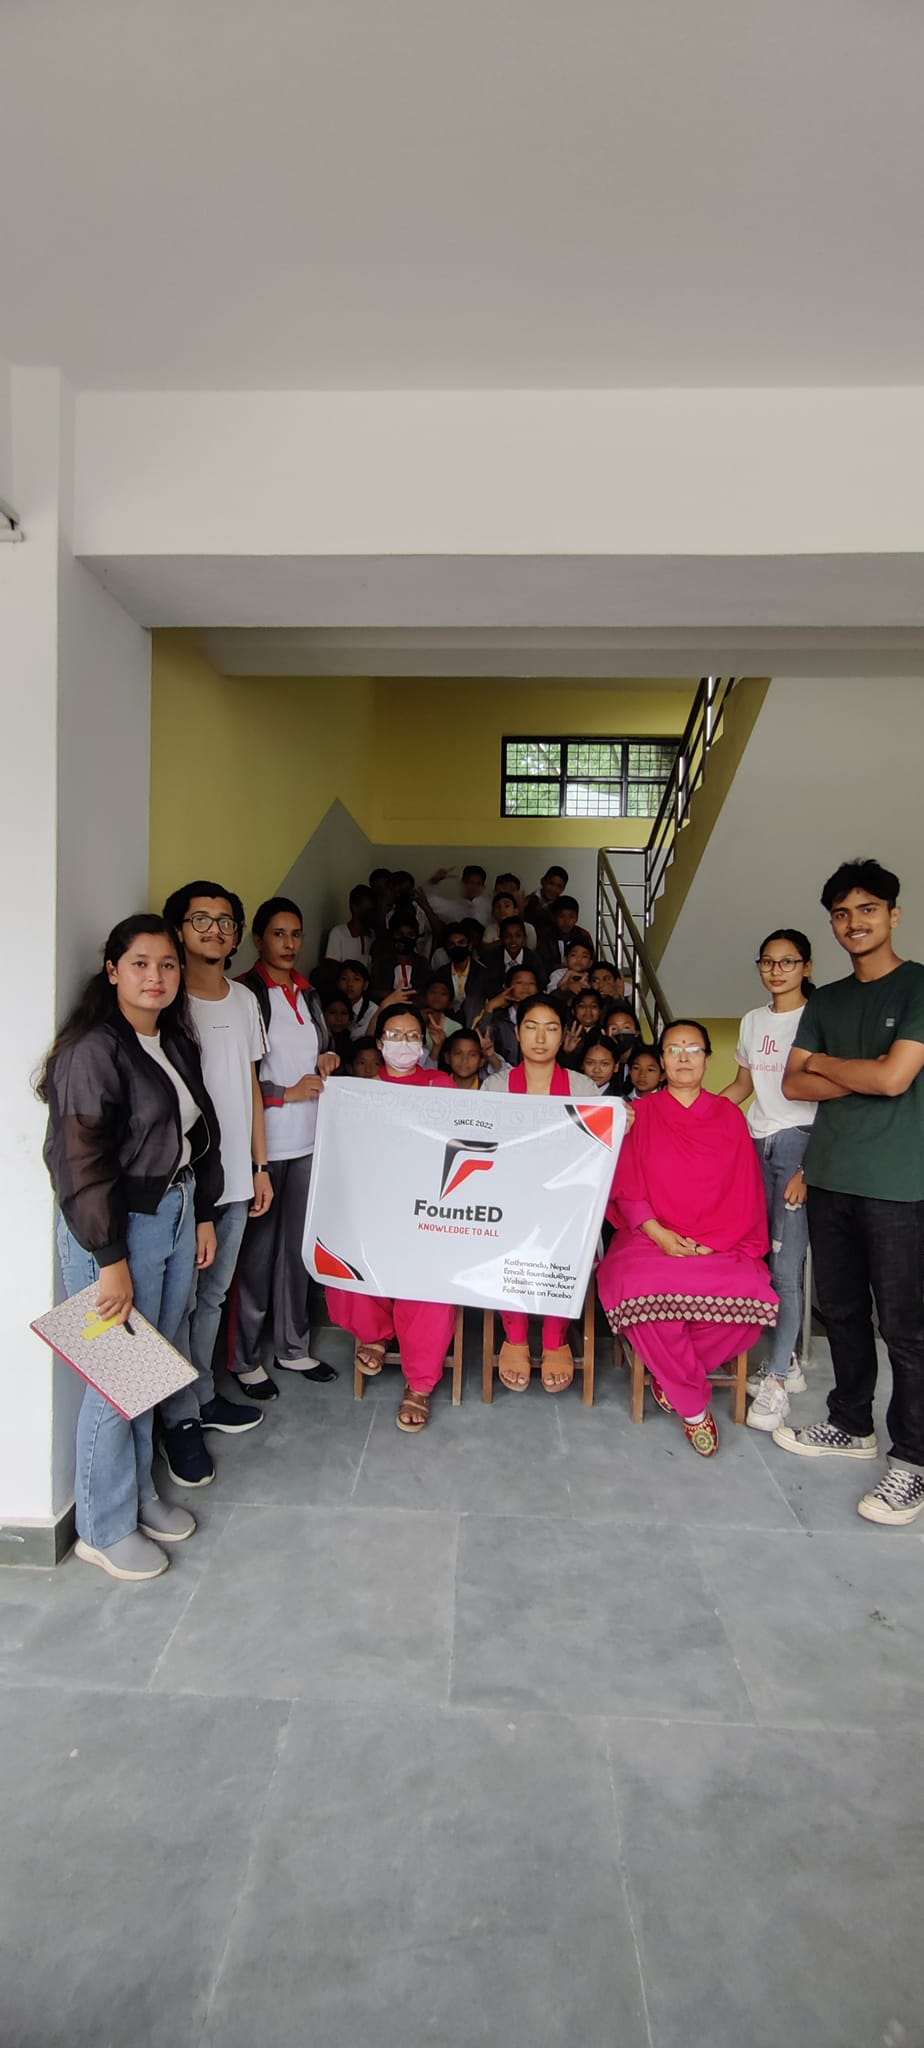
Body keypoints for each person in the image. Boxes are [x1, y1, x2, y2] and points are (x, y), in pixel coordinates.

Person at [38, 915, 223, 1580]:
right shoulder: (93, 1050)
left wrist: (198, 1213)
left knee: (155, 1364)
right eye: (141, 964)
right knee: (116, 1379)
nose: (157, 977)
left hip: (171, 1212)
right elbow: (78, 1165)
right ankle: (102, 1526)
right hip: (114, 1230)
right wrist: (110, 1262)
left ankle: (141, 1494)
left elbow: (193, 1137)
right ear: (113, 970)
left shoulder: (169, 1039)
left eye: (168, 965)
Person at [773, 858, 924, 1526]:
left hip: (897, 1182)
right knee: (838, 1311)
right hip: (830, 1175)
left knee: (905, 1327)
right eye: (840, 913)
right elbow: (791, 1085)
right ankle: (850, 1424)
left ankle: (914, 1461)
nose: (853, 923)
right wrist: (861, 1072)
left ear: (893, 913)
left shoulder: (918, 987)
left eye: (867, 909)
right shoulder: (826, 999)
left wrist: (831, 1065)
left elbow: (895, 1080)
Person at [598, 1020, 778, 1457]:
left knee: (756, 1300)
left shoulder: (728, 1117)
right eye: (673, 1049)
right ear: (661, 1061)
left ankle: (670, 1373)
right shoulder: (641, 1115)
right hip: (649, 1238)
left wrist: (714, 1243)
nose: (682, 1057)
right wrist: (659, 1233)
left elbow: (744, 1192)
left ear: (707, 1059)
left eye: (692, 1049)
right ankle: (693, 1405)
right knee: (634, 1287)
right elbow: (628, 1184)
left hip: (719, 1241)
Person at [157, 880, 272, 1472]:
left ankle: (200, 1393)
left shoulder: (244, 999)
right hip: (181, 1187)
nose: (214, 930)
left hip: (233, 1181)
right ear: (178, 927)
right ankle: (178, 1416)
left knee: (213, 1297)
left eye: (226, 921)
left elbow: (249, 1086)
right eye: (200, 919)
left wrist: (259, 1165)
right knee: (176, 1305)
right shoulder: (166, 1003)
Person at [325, 1003, 456, 1432]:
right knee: (349, 1251)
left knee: (432, 1279)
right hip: (378, 1208)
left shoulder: (442, 1084)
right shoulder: (361, 1090)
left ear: (426, 1042)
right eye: (394, 1036)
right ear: (379, 1043)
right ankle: (376, 1334)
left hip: (430, 1208)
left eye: (412, 1035)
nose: (404, 1044)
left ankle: (419, 1382)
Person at [230, 896, 339, 1400]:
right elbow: (236, 1076)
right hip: (265, 1145)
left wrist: (329, 1055)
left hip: (309, 1139)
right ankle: (244, 1356)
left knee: (298, 1249)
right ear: (258, 939)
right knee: (256, 1254)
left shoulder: (307, 991)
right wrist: (284, 1093)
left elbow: (317, 1046)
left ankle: (292, 1346)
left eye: (295, 933)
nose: (290, 943)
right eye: (279, 934)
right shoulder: (246, 993)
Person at [721, 929, 816, 1433]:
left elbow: (836, 1098)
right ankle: (788, 1361)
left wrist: (809, 1168)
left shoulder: (818, 1018)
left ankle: (778, 1374)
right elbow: (742, 1084)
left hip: (799, 1144)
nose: (777, 970)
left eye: (788, 961)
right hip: (757, 1142)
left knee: (786, 1264)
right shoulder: (753, 1021)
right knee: (756, 1252)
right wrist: (698, 1113)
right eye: (768, 962)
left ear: (807, 967)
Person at [483, 994, 598, 1393]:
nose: (540, 1037)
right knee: (503, 1229)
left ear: (563, 1035)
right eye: (531, 1027)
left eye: (551, 1028)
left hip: (564, 1203)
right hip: (508, 1200)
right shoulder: (495, 1086)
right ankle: (515, 1336)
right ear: (517, 1033)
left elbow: (595, 1153)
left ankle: (554, 1337)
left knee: (567, 1230)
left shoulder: (583, 1087)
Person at [369, 902, 431, 1001]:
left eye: (410, 934)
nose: (405, 938)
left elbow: (426, 992)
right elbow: (373, 992)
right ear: (392, 935)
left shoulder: (422, 963)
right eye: (400, 934)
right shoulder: (382, 962)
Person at [482, 965, 539, 1067]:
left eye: (531, 983)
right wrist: (490, 1007)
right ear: (506, 987)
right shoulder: (498, 1018)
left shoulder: (544, 1019)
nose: (525, 987)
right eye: (519, 982)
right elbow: (480, 1039)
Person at [437, 923, 489, 1027]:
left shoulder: (483, 973)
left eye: (461, 943)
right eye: (452, 944)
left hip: (475, 1025)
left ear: (469, 945)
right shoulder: (440, 973)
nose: (457, 947)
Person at [420, 863, 492, 931]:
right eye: (470, 882)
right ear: (462, 883)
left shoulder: (490, 905)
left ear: (483, 887)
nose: (474, 887)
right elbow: (424, 899)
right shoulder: (450, 907)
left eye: (478, 884)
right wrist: (434, 880)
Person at [537, 896, 594, 982]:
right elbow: (541, 964)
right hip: (551, 979)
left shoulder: (583, 935)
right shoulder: (546, 936)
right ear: (554, 917)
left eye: (571, 917)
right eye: (561, 916)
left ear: (576, 918)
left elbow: (591, 961)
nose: (566, 921)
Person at [483, 916, 543, 995]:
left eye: (518, 936)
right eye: (508, 936)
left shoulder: (533, 958)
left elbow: (541, 984)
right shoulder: (494, 957)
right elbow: (490, 986)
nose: (513, 940)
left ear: (524, 938)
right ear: (501, 939)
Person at [325, 885, 375, 965]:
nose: (371, 915)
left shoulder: (373, 935)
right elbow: (332, 969)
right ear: (354, 907)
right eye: (367, 911)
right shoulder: (338, 933)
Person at [419, 972, 462, 1065]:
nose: (437, 996)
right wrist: (419, 1021)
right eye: (433, 992)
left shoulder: (456, 1027)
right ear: (425, 996)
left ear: (450, 1002)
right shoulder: (415, 1022)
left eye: (443, 993)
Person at [602, 1003, 643, 1096]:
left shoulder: (644, 1060)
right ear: (604, 1032)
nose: (620, 1033)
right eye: (614, 1028)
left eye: (626, 1028)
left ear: (636, 1032)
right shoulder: (600, 1059)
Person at [338, 959, 377, 1040]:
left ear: (365, 985)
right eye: (344, 979)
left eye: (356, 979)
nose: (350, 984)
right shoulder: (331, 1007)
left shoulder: (373, 1011)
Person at [524, 866, 569, 933]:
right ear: (542, 881)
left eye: (559, 887)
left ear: (563, 889)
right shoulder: (526, 901)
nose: (553, 889)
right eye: (551, 883)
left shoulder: (561, 907)